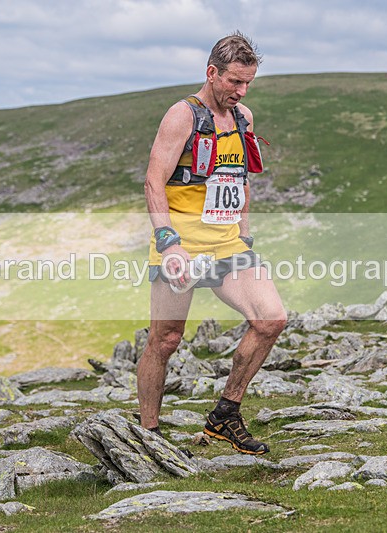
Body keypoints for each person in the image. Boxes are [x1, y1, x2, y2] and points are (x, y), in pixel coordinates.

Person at [137, 32, 287, 455]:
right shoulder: (182, 116)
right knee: (165, 340)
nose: (241, 92)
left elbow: (240, 181)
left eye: (248, 84)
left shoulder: (244, 118)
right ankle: (148, 435)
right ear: (212, 73)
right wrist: (168, 242)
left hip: (227, 247)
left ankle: (225, 414)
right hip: (179, 245)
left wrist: (243, 233)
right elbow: (153, 181)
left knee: (271, 319)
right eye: (234, 82)